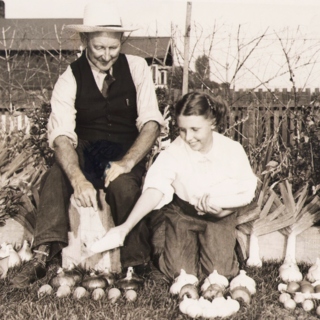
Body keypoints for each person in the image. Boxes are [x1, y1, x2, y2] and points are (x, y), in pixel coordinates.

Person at [10, 1, 164, 288]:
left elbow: (151, 123)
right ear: (84, 41)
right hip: (86, 150)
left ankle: (138, 265)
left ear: (121, 42)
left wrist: (128, 162)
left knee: (125, 186)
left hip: (123, 152)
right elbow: (61, 136)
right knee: (56, 175)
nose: (107, 55)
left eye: (113, 47)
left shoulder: (138, 69)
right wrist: (79, 179)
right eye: (99, 48)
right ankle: (43, 257)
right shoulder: (69, 77)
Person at [96, 92, 258, 281]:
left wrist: (223, 212)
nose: (188, 137)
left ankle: (228, 248)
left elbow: (247, 191)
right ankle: (164, 241)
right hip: (183, 214)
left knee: (220, 275)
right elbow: (155, 188)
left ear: (212, 122)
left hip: (219, 217)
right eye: (182, 130)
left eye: (195, 129)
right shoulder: (174, 151)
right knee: (180, 275)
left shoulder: (232, 150)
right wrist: (125, 227)